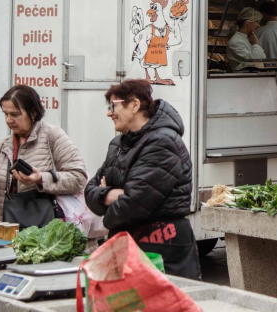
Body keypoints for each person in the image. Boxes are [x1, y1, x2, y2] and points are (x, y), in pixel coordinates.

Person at [85, 79, 200, 278]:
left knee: (163, 307)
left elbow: (134, 203)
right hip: (128, 243)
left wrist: (108, 215)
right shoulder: (118, 143)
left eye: (114, 106)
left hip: (162, 244)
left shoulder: (163, 142)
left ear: (135, 105)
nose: (109, 113)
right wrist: (110, 194)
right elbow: (90, 189)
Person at [0, 84, 88, 221]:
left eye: (15, 114)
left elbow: (79, 178)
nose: (8, 120)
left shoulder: (52, 136)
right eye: (5, 114)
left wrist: (41, 179)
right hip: (7, 233)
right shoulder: (0, 147)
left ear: (33, 113)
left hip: (46, 234)